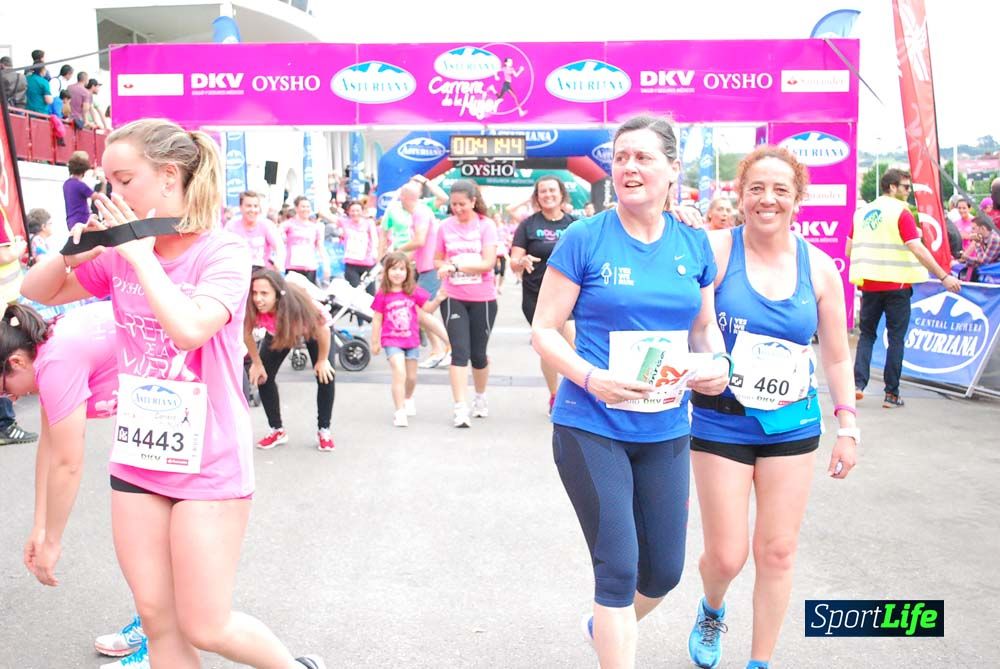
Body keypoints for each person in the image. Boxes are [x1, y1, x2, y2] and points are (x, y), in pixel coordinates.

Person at [21, 118, 325, 669]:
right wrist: (77, 247)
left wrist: (137, 254)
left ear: (168, 177)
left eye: (124, 179)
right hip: (139, 457)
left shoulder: (222, 253)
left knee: (204, 624)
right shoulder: (116, 252)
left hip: (209, 460)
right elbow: (35, 290)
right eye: (108, 182)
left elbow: (189, 329)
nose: (113, 195)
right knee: (159, 624)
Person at [531, 114, 730, 668]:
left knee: (663, 571)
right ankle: (614, 627)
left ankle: (607, 627)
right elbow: (543, 330)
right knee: (617, 568)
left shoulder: (693, 244)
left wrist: (719, 362)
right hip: (591, 423)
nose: (629, 168)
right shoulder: (585, 237)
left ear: (672, 169)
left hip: (666, 424)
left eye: (643, 157)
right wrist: (592, 377)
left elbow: (704, 327)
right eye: (620, 158)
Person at [687, 146, 859, 669]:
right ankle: (712, 607)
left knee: (778, 551)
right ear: (740, 195)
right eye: (757, 188)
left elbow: (834, 355)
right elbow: (694, 326)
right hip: (723, 421)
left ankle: (760, 661)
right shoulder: (714, 251)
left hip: (792, 425)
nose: (768, 199)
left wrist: (848, 425)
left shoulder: (821, 267)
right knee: (726, 556)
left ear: (798, 199)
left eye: (781, 189)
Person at [3, 301, 146, 667]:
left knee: (145, 537)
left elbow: (68, 463)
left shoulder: (55, 362)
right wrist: (39, 526)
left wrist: (52, 541)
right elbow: (49, 448)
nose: (10, 398)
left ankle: (161, 648)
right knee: (144, 535)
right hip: (160, 411)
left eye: (4, 389)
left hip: (185, 404)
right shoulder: (47, 347)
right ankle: (154, 627)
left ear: (16, 362)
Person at [849, 168, 960, 408]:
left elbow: (849, 250)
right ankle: (891, 394)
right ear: (892, 187)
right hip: (897, 285)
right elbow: (916, 248)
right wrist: (943, 276)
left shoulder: (862, 213)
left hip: (870, 284)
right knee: (896, 338)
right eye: (905, 187)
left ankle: (858, 385)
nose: (909, 192)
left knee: (866, 335)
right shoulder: (901, 212)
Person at [245, 269, 336, 451]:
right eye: (255, 293)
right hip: (278, 332)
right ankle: (277, 430)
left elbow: (323, 329)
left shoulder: (297, 306)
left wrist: (323, 360)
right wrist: (256, 363)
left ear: (278, 295)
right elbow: (245, 332)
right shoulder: (253, 308)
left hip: (313, 330)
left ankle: (324, 430)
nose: (258, 298)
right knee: (263, 377)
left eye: (264, 293)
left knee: (325, 376)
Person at [434, 180, 500, 428]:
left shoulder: (486, 226)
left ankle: (480, 397)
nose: (458, 209)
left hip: (483, 297)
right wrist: (443, 268)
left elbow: (487, 263)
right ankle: (459, 407)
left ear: (473, 201)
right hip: (454, 296)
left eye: (462, 204)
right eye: (454, 205)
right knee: (459, 352)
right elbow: (437, 259)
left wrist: (457, 266)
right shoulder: (444, 227)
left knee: (478, 355)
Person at [509, 176, 577, 413]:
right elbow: (514, 262)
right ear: (537, 197)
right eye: (542, 192)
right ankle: (555, 395)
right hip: (536, 296)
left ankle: (576, 393)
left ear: (561, 194)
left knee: (572, 343)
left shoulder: (574, 224)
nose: (548, 195)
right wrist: (522, 261)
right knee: (549, 347)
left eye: (552, 190)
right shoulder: (528, 225)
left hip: (570, 295)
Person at [370, 252, 448, 427]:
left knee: (411, 377)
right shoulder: (382, 294)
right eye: (393, 269)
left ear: (408, 272)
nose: (397, 273)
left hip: (411, 341)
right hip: (391, 340)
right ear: (386, 271)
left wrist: (438, 299)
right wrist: (374, 342)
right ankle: (399, 411)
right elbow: (377, 318)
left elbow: (426, 309)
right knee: (399, 372)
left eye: (401, 269)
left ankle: (408, 397)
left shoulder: (413, 291)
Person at [391, 182, 450, 369]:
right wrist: (400, 262)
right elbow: (419, 247)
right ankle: (438, 349)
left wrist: (397, 251)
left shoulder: (420, 212)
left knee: (420, 311)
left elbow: (419, 240)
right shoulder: (418, 213)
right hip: (425, 267)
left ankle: (448, 347)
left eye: (400, 195)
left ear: (405, 197)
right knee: (420, 311)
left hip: (432, 267)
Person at [0, 212, 38, 447]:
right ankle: (5, 424)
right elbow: (3, 253)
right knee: (5, 365)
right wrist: (19, 249)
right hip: (4, 299)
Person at [225, 191, 284, 273]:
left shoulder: (266, 225)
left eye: (255, 206)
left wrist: (278, 262)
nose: (252, 210)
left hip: (262, 272)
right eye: (248, 206)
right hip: (239, 271)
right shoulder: (231, 226)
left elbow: (279, 247)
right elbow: (225, 249)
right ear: (240, 207)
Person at [282, 196, 325, 284]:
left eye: (308, 207)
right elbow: (277, 236)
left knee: (309, 296)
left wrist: (326, 264)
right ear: (296, 208)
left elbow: (320, 246)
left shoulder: (315, 227)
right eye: (303, 206)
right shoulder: (288, 224)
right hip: (293, 266)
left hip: (309, 267)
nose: (306, 209)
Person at [340, 200, 379, 290]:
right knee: (354, 292)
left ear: (362, 211)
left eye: (357, 210)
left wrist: (375, 255)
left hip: (368, 263)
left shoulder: (369, 223)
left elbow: (374, 239)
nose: (355, 213)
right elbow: (326, 215)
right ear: (348, 212)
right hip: (351, 263)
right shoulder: (344, 222)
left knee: (370, 292)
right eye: (352, 211)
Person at [63, 151, 100, 230]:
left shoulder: (66, 184)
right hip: (82, 220)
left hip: (71, 221)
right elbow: (99, 198)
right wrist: (103, 183)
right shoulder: (80, 185)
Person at [960, 215, 1000, 282]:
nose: (972, 231)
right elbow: (980, 258)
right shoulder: (984, 238)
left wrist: (977, 243)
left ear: (983, 228)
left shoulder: (994, 239)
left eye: (974, 228)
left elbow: (983, 261)